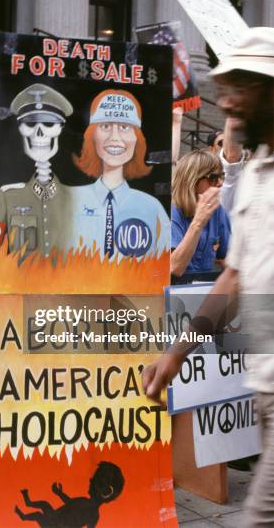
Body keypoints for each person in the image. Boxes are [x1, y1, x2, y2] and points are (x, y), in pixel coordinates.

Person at [142, 27, 274, 527]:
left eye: (241, 87)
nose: (227, 101)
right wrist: (176, 354)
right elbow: (233, 277)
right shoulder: (259, 172)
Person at [70, 89, 170, 260]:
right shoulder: (69, 200)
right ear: (92, 136)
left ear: (137, 138)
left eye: (124, 127)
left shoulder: (152, 208)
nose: (115, 138)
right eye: (105, 126)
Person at [0, 83, 74, 260]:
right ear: (20, 129)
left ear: (60, 129)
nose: (39, 133)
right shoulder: (5, 197)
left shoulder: (75, 198)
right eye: (30, 124)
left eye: (49, 124)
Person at [171, 150, 231, 278]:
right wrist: (198, 223)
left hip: (203, 289)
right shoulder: (171, 212)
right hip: (174, 290)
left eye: (222, 176)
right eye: (214, 178)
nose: (220, 183)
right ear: (192, 180)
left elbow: (227, 258)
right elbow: (175, 268)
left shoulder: (217, 211)